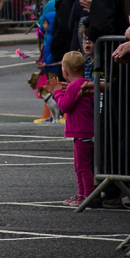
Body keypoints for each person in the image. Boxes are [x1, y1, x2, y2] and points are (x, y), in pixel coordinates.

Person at [47, 51, 95, 206]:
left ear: (65, 71)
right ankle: (81, 194)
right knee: (79, 165)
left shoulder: (75, 85)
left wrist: (57, 92)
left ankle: (87, 195)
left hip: (82, 130)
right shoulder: (82, 82)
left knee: (83, 166)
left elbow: (65, 106)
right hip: (83, 130)